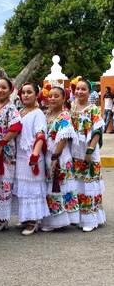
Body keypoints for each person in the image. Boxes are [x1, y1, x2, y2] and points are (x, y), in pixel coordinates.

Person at [69, 78, 106, 232]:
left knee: (89, 185)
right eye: (77, 89)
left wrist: (90, 150)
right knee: (78, 185)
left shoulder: (93, 109)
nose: (79, 92)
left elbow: (97, 131)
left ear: (89, 92)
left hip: (88, 153)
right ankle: (79, 218)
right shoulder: (71, 107)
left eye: (83, 89)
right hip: (75, 152)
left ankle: (91, 219)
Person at [0, 78, 22, 232]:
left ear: (10, 90)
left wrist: (2, 143)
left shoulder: (11, 108)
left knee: (2, 184)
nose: (0, 90)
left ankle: (3, 218)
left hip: (4, 152)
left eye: (3, 87)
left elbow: (16, 127)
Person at [41, 86, 79, 231]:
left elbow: (63, 138)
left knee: (59, 186)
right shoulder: (46, 114)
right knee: (51, 185)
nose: (52, 99)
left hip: (60, 156)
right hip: (48, 155)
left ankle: (58, 221)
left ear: (64, 99)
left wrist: (55, 157)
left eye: (56, 96)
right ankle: (53, 218)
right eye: (50, 96)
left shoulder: (64, 116)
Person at [15, 83, 49, 235]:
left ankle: (33, 220)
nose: (26, 95)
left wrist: (35, 155)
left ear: (37, 95)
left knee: (33, 188)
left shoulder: (38, 113)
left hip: (32, 156)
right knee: (23, 187)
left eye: (29, 92)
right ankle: (25, 217)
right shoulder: (20, 112)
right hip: (20, 156)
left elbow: (40, 134)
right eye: (23, 92)